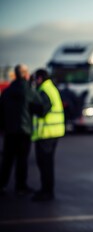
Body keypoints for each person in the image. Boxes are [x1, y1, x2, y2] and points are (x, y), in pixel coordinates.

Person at [0, 64, 45, 196]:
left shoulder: (7, 91)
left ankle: (2, 184)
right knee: (22, 160)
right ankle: (20, 187)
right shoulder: (28, 90)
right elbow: (40, 106)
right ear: (25, 74)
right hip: (24, 130)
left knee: (7, 159)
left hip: (9, 131)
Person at [31, 68, 65, 201]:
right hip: (53, 132)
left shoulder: (44, 90)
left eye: (35, 79)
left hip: (47, 133)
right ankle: (46, 190)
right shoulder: (51, 88)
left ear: (40, 78)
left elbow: (43, 110)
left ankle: (47, 192)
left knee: (44, 163)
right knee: (47, 163)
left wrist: (31, 107)